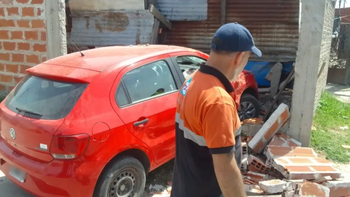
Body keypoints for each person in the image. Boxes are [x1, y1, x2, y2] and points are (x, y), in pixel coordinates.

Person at [170, 22, 262, 197]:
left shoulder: (191, 81)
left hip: (184, 188)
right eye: (248, 58)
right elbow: (225, 169)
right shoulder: (218, 102)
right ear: (239, 58)